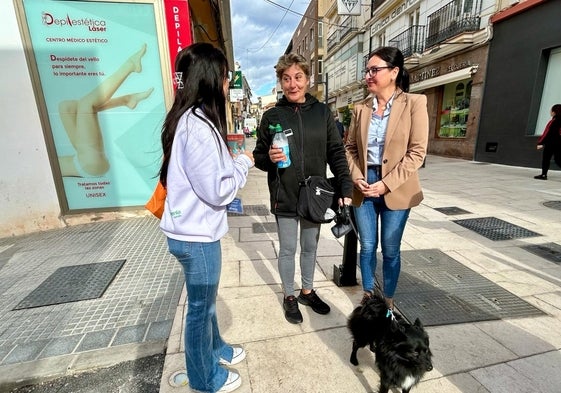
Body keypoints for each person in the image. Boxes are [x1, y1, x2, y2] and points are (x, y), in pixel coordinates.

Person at [159, 43, 254, 393]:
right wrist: (243, 163)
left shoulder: (192, 119)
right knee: (199, 311)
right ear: (212, 79)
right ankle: (205, 378)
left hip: (192, 231)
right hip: (196, 237)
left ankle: (218, 349)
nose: (228, 83)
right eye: (226, 76)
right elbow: (218, 191)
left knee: (205, 304)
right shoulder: (198, 125)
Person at [253, 53, 353, 324]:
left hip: (315, 195)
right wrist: (269, 160)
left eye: (298, 77)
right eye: (286, 79)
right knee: (287, 249)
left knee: (310, 247)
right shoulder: (271, 115)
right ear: (280, 82)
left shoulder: (322, 113)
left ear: (308, 79)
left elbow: (336, 152)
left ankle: (307, 291)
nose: (292, 84)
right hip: (284, 195)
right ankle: (289, 296)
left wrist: (345, 187)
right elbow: (259, 156)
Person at [345, 46, 428, 310]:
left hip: (397, 186)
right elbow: (349, 149)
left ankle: (389, 300)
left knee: (391, 249)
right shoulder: (360, 109)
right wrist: (357, 176)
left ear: (394, 72)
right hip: (364, 184)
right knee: (367, 246)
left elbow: (417, 153)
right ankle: (369, 296)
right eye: (367, 70)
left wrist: (386, 184)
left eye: (374, 70)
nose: (369, 75)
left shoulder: (415, 104)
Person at [58, 44, 153, 177]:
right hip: (88, 164)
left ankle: (125, 100)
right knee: (86, 105)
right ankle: (130, 66)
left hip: (84, 159)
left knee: (66, 107)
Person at [534, 104, 561, 180]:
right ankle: (543, 174)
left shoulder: (554, 121)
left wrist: (541, 143)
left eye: (551, 110)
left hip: (551, 143)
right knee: (558, 159)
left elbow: (548, 133)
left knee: (546, 158)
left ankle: (543, 175)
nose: (550, 112)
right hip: (558, 143)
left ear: (555, 112)